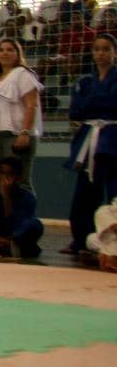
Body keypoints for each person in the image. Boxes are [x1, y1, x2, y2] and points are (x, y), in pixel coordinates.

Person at [67, 32, 117, 258]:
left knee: (114, 191)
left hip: (113, 137)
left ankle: (111, 241)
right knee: (85, 191)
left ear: (114, 52)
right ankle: (81, 239)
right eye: (97, 49)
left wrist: (94, 104)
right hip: (89, 139)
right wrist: (99, 104)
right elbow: (76, 110)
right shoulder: (85, 81)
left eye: (106, 49)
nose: (101, 53)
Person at [0, 38, 42, 190]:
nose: (4, 53)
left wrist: (25, 132)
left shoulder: (23, 74)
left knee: (18, 180)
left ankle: (23, 213)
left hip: (15, 134)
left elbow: (31, 104)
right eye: (1, 50)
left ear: (17, 53)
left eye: (9, 50)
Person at [0, 155, 42, 259]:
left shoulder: (28, 197)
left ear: (18, 177)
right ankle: (10, 247)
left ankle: (8, 246)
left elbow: (18, 224)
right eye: (2, 173)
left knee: (36, 224)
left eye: (10, 174)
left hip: (16, 236)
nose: (5, 177)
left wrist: (6, 197)